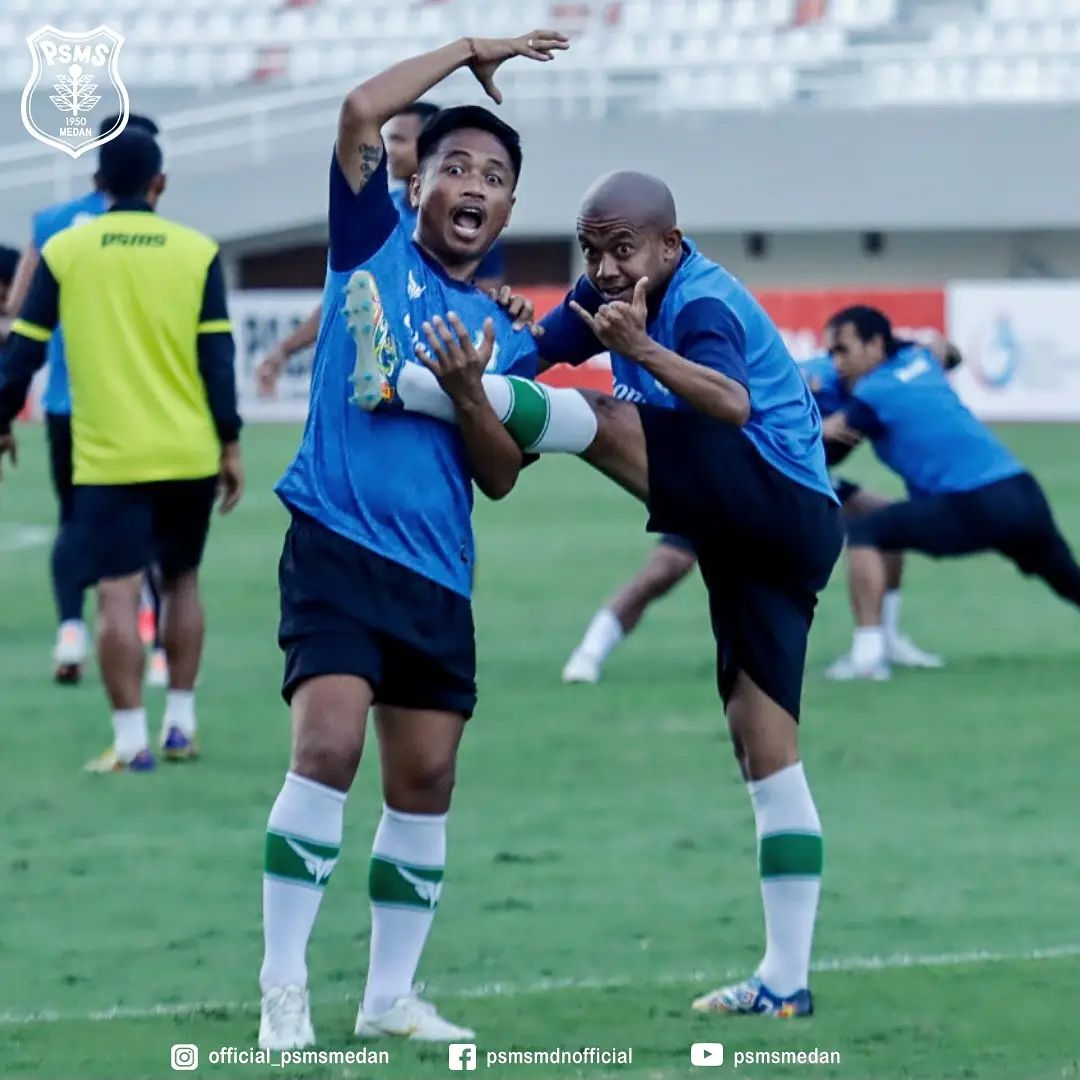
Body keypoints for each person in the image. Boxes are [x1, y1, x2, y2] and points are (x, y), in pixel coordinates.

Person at [363, 170, 844, 1018]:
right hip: (752, 536)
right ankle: (786, 981)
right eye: (593, 249)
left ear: (671, 242)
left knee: (606, 423)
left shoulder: (699, 304)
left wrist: (642, 350)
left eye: (624, 249)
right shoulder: (603, 293)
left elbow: (731, 404)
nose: (608, 267)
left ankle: (408, 387)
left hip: (779, 501)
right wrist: (485, 370)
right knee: (762, 748)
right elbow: (533, 354)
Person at [257, 28, 568, 1051]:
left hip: (437, 573)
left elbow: (501, 474)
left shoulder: (503, 330)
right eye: (454, 166)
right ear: (417, 181)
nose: (473, 184)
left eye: (494, 175)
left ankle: (390, 995)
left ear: (510, 209)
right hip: (338, 544)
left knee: (424, 782)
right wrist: (472, 47)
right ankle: (282, 990)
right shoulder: (371, 242)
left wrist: (478, 393)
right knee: (329, 746)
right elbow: (355, 111)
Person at [0, 129, 244, 769]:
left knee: (116, 591)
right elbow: (218, 357)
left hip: (110, 457)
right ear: (159, 184)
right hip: (188, 451)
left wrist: (2, 418)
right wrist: (231, 442)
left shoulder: (66, 249)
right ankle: (182, 727)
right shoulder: (196, 251)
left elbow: (23, 350)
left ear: (99, 185)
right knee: (183, 581)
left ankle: (133, 741)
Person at [821, 305, 1080, 679]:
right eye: (831, 353)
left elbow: (836, 440)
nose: (836, 363)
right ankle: (888, 641)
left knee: (866, 532)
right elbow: (950, 353)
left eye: (843, 350)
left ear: (876, 344)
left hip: (976, 503)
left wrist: (819, 430)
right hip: (1022, 493)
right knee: (1069, 579)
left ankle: (867, 656)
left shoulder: (874, 391)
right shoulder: (919, 358)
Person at [4, 113, 163, 684]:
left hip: (70, 402)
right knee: (149, 522)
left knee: (74, 521)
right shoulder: (157, 230)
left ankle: (71, 634)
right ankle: (158, 646)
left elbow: (18, 313)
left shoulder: (52, 224)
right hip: (141, 400)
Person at [254, 102, 507, 398]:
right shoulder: (379, 215)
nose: (389, 150)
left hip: (437, 385)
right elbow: (345, 295)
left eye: (399, 140)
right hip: (367, 392)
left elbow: (486, 308)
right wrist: (284, 350)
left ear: (429, 147)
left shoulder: (466, 224)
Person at [799, 335, 946, 679]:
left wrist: (938, 350)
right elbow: (752, 414)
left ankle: (886, 638)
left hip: (815, 479)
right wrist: (819, 430)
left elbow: (949, 355)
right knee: (673, 563)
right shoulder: (811, 379)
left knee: (886, 517)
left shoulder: (890, 381)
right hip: (768, 475)